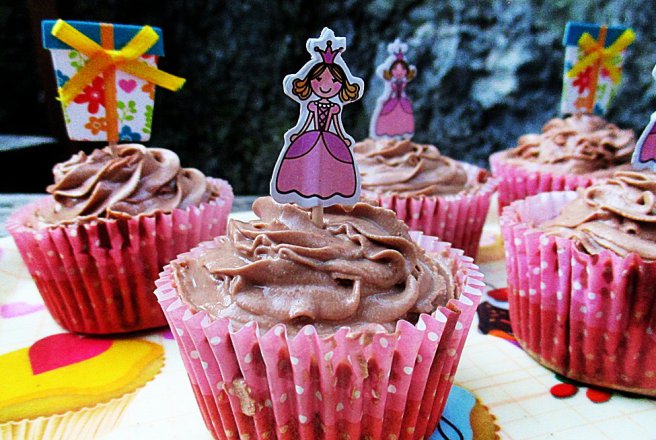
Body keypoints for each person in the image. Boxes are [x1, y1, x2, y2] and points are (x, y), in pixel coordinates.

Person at [273, 38, 362, 205]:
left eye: (334, 81)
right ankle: (302, 191)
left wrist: (343, 137)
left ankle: (331, 192)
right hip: (309, 138)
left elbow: (337, 125)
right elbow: (307, 121)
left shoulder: (335, 107)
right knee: (306, 164)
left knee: (331, 168)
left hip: (332, 140)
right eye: (319, 79)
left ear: (342, 85)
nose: (326, 86)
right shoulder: (311, 105)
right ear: (309, 81)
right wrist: (298, 133)